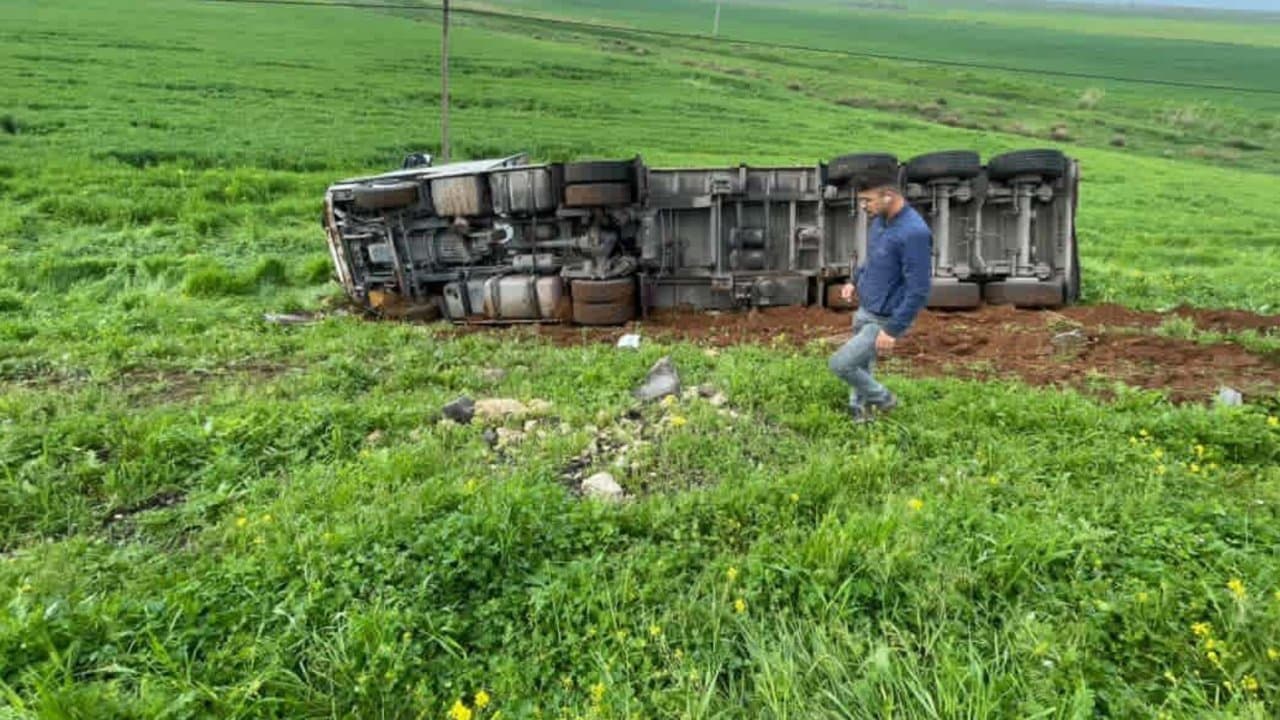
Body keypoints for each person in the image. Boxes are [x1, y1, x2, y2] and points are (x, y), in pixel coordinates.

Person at [828, 169, 933, 423]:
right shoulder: (879, 222)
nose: (863, 206)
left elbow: (918, 289)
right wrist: (854, 282)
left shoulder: (914, 233)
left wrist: (893, 330)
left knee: (841, 364)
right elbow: (874, 258)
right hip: (866, 309)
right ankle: (860, 414)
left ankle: (884, 399)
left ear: (888, 195)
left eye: (867, 200)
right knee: (862, 365)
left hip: (884, 319)